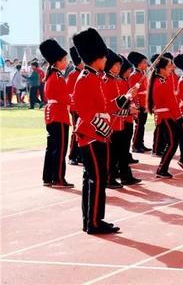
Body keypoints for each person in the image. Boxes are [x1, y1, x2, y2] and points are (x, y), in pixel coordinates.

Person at [72, 28, 119, 234]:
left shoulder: (95, 77)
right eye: (103, 56)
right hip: (90, 135)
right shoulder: (85, 79)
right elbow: (85, 111)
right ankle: (94, 221)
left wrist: (124, 99)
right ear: (95, 58)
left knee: (93, 178)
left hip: (95, 134)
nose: (106, 59)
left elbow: (105, 106)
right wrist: (105, 130)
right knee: (97, 178)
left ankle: (91, 219)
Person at [39, 39, 73, 188]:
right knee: (60, 149)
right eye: (64, 60)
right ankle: (58, 178)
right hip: (59, 115)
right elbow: (64, 97)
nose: (66, 62)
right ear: (57, 62)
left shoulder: (52, 75)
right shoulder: (57, 77)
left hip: (53, 113)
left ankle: (48, 177)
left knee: (52, 148)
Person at [102, 50, 139, 188]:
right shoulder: (106, 81)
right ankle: (110, 178)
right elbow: (110, 107)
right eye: (116, 65)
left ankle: (125, 176)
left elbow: (121, 102)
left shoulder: (117, 80)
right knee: (112, 155)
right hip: (111, 123)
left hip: (119, 123)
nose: (118, 68)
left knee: (121, 152)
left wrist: (130, 97)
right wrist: (128, 111)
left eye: (119, 65)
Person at [148, 54, 182, 178]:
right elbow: (171, 102)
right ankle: (162, 169)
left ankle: (162, 168)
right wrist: (179, 117)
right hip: (166, 116)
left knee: (172, 142)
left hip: (165, 116)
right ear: (161, 69)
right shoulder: (162, 82)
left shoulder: (160, 80)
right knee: (172, 143)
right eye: (169, 66)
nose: (171, 68)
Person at [118, 56, 141, 170]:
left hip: (128, 115)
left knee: (127, 139)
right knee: (124, 142)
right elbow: (123, 101)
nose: (130, 72)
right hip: (124, 117)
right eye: (128, 70)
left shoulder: (124, 81)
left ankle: (126, 156)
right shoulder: (120, 82)